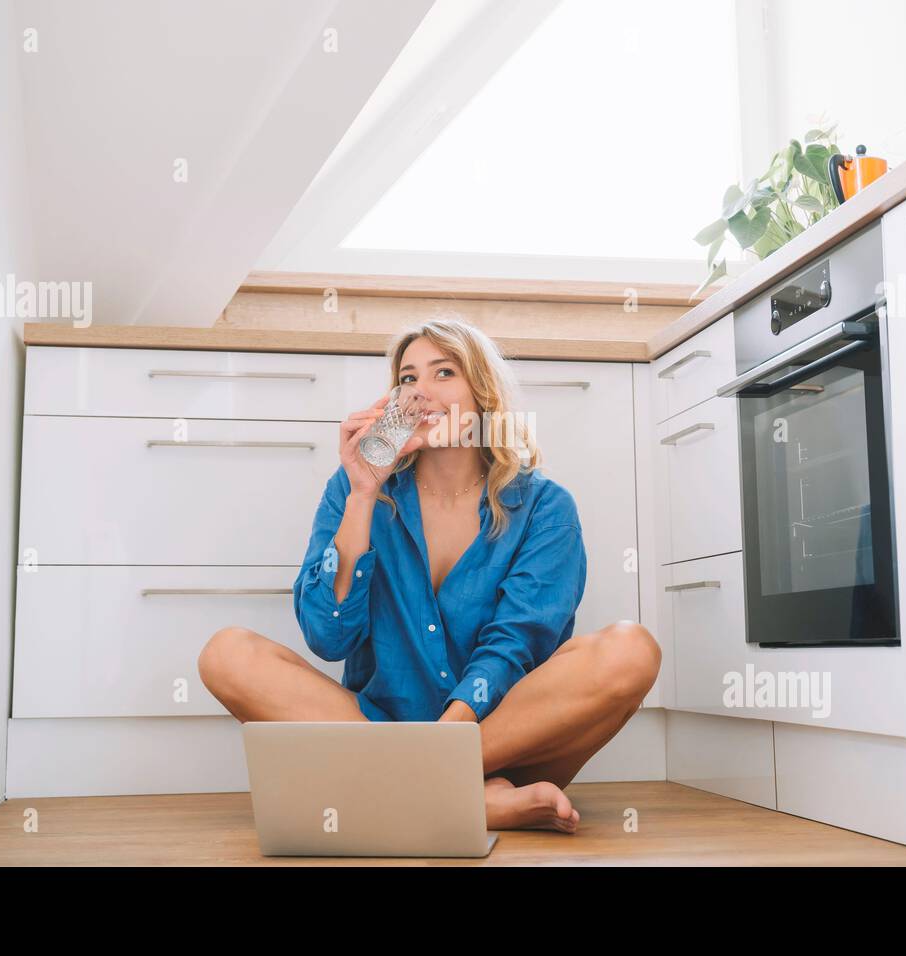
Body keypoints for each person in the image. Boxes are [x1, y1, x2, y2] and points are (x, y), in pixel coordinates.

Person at [198, 317, 661, 833]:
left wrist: (449, 742)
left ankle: (413, 790)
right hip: (376, 733)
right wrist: (363, 493)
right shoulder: (353, 490)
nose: (421, 392)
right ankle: (468, 802)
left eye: (443, 373)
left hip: (499, 745)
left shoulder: (545, 506)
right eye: (408, 378)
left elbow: (517, 643)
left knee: (631, 650)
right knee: (227, 653)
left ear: (483, 393)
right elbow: (328, 638)